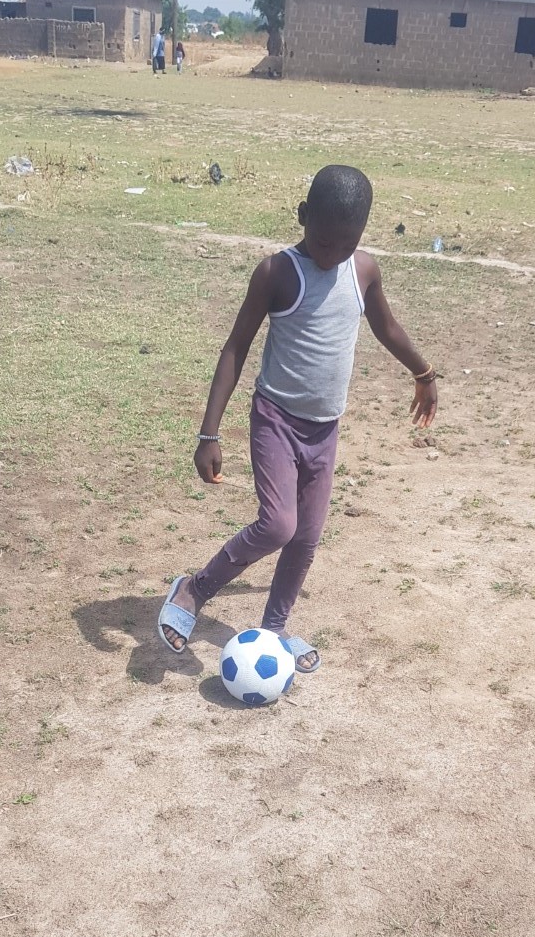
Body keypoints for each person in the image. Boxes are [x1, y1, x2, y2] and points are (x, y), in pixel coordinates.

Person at [157, 164, 437, 675]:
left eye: (347, 244)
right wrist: (209, 432)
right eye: (324, 241)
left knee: (306, 536)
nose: (333, 254)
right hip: (276, 419)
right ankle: (194, 589)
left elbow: (387, 327)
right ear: (303, 216)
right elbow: (236, 347)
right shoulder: (277, 273)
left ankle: (275, 629)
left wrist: (424, 372)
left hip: (324, 429)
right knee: (278, 525)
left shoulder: (363, 271)